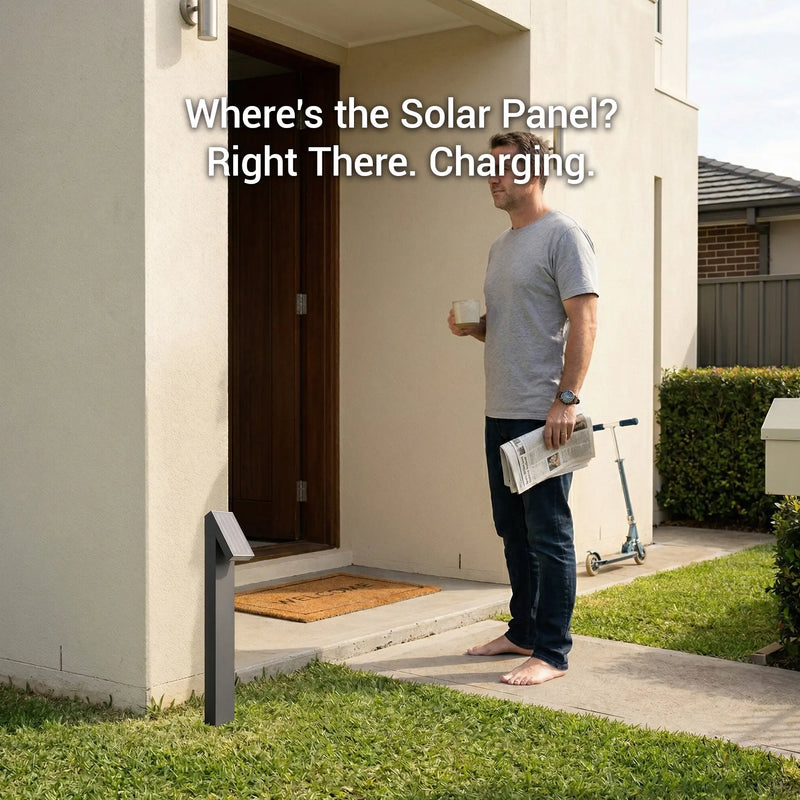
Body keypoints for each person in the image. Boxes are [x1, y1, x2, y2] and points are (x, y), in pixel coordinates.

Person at [448, 131, 598, 686]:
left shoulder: (564, 236)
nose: (493, 178)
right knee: (511, 528)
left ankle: (553, 652)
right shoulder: (501, 246)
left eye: (504, 168)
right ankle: (523, 630)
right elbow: (518, 328)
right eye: (490, 169)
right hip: (500, 408)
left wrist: (565, 400)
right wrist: (478, 329)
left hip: (542, 413)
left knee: (548, 531)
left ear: (535, 173)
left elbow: (584, 321)